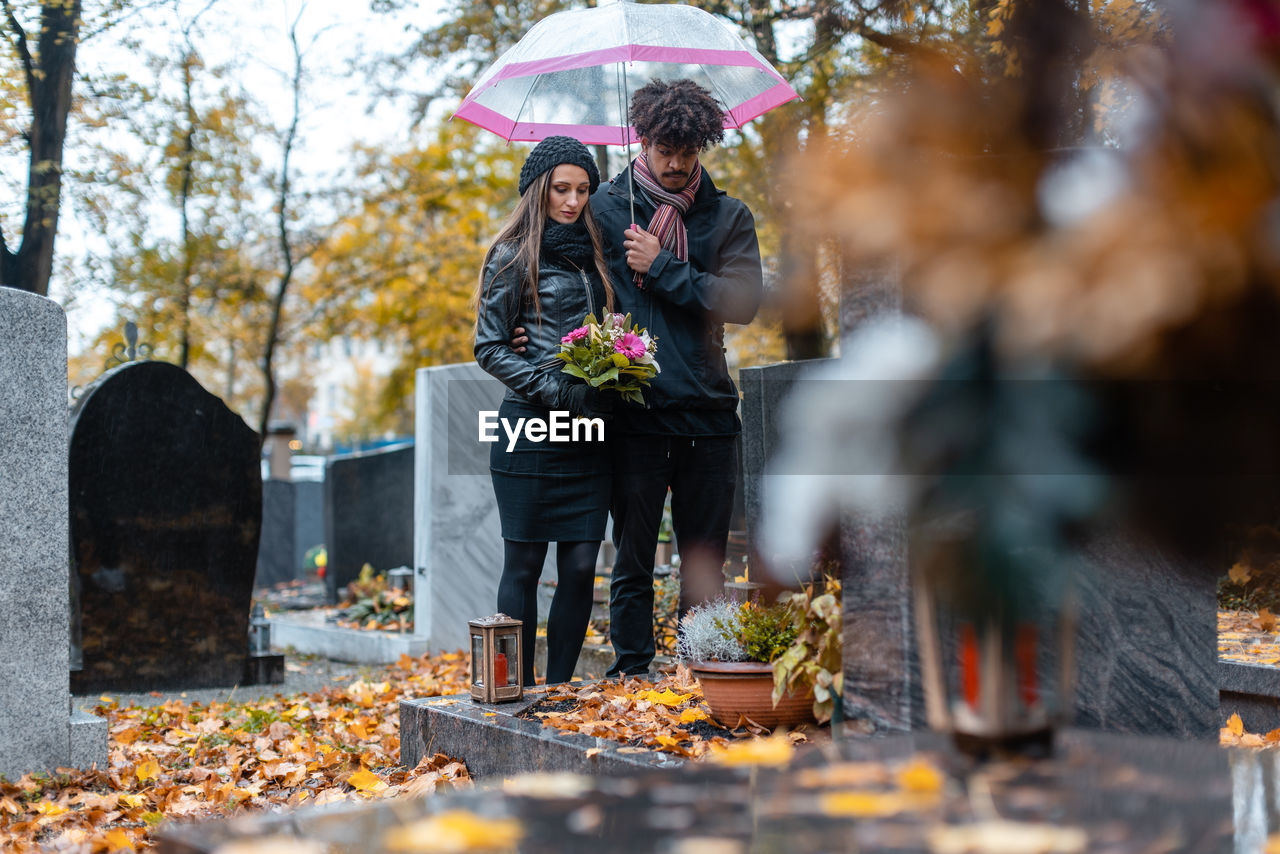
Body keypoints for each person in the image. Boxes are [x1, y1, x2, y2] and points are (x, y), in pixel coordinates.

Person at [515, 80, 764, 677]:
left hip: (708, 413)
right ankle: (631, 673)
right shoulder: (604, 208)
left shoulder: (727, 217)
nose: (676, 164)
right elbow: (551, 270)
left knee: (704, 561)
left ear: (704, 145)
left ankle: (698, 669)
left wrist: (665, 266)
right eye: (664, 150)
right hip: (633, 414)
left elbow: (744, 301)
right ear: (642, 140)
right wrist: (530, 331)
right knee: (631, 560)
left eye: (689, 151)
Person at [474, 135, 615, 686]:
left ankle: (558, 690)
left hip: (588, 433)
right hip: (529, 429)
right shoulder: (511, 254)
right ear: (539, 190)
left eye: (582, 189)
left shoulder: (596, 255)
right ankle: (519, 687)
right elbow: (488, 347)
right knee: (525, 567)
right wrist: (554, 390)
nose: (572, 201)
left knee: (581, 566)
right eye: (561, 188)